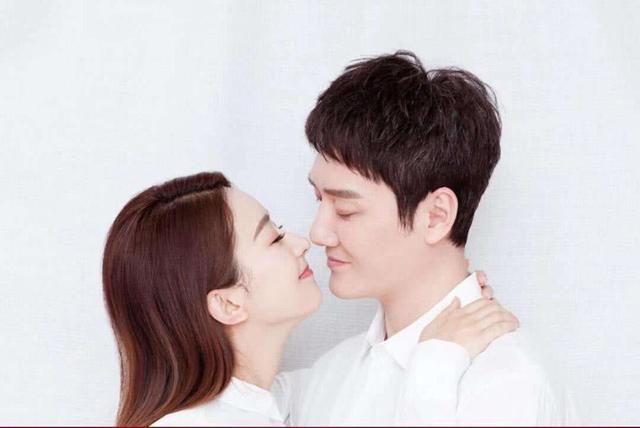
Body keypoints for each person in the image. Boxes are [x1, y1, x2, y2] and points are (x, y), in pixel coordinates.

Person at [272, 51, 575, 425]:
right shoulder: (331, 375)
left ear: (436, 216)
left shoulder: (507, 382)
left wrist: (433, 369)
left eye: (346, 210)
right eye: (319, 199)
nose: (318, 233)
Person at [102, 171, 514, 426]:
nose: (303, 241)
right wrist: (436, 364)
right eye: (273, 238)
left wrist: (444, 303)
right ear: (228, 303)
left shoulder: (278, 402)